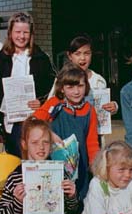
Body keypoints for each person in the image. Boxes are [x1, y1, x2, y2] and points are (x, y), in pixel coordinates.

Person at [0, 12, 55, 156]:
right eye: (17, 32)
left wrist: (41, 101)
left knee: (36, 162)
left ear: (31, 34)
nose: (21, 36)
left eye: (26, 32)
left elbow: (53, 84)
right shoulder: (1, 59)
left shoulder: (40, 57)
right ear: (10, 33)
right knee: (16, 162)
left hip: (35, 119)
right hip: (12, 123)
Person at [34, 64, 100, 200]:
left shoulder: (89, 110)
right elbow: (33, 121)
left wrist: (97, 169)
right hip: (53, 165)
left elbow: (92, 143)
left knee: (78, 202)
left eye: (80, 86)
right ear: (62, 89)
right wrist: (49, 134)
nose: (76, 91)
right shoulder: (54, 103)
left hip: (79, 167)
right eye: (70, 87)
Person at [50, 35, 118, 118]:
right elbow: (50, 105)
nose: (82, 58)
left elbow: (103, 109)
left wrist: (112, 107)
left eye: (87, 53)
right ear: (70, 56)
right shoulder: (61, 78)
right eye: (77, 54)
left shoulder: (98, 80)